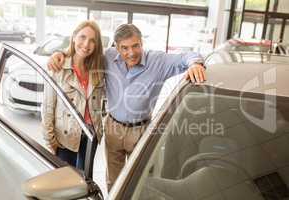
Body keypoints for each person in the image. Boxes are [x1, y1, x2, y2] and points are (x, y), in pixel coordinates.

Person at [48, 23, 206, 189]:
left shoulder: (158, 61)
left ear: (141, 42)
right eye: (124, 48)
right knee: (113, 181)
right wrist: (60, 54)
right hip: (112, 127)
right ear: (116, 47)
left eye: (135, 46)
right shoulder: (108, 56)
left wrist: (195, 64)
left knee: (142, 180)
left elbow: (187, 57)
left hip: (141, 130)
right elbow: (82, 52)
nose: (131, 53)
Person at [41, 20, 105, 170]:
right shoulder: (58, 67)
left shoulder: (98, 68)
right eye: (82, 37)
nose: (86, 44)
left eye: (92, 41)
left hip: (90, 136)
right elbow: (47, 107)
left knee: (85, 181)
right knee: (65, 183)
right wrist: (50, 140)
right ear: (74, 37)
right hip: (65, 138)